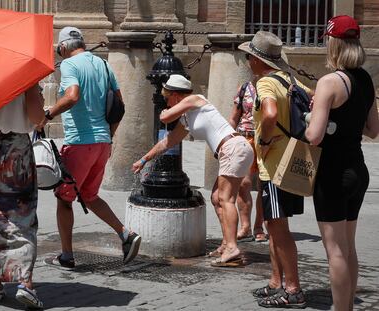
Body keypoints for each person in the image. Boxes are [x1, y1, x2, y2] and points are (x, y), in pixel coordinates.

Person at [39, 26, 141, 269]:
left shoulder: (69, 65)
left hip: (80, 143)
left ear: (63, 47)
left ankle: (66, 256)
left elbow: (73, 96)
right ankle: (126, 234)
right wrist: (108, 136)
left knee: (64, 198)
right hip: (102, 143)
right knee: (88, 195)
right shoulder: (104, 65)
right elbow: (119, 105)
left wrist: (48, 114)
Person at [132, 74, 254, 267]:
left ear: (175, 95)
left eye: (167, 97)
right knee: (216, 198)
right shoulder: (188, 119)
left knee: (226, 199)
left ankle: (232, 247)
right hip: (233, 150)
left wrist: (164, 111)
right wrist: (143, 159)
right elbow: (167, 142)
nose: (166, 101)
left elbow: (164, 116)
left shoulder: (195, 99)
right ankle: (226, 244)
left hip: (233, 148)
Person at [305, 15, 379, 311]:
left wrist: (311, 117)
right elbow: (373, 130)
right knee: (348, 247)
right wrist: (346, 123)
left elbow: (313, 136)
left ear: (333, 43)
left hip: (332, 174)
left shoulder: (329, 82)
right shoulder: (365, 79)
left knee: (334, 250)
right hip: (358, 171)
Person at [239, 31, 313, 308]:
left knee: (279, 229)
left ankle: (293, 290)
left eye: (249, 56)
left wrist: (267, 140)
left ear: (257, 60)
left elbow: (269, 114)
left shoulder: (266, 83)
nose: (247, 61)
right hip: (293, 160)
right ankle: (275, 282)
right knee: (272, 224)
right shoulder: (290, 80)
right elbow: (315, 99)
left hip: (275, 166)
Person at [0, 84, 45, 309]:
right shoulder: (26, 77)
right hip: (16, 149)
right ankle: (25, 283)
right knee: (21, 214)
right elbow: (36, 118)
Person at [229, 79, 267, 243]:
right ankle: (245, 227)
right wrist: (228, 139)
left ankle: (259, 226)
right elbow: (234, 117)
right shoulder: (244, 87)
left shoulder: (274, 86)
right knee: (243, 183)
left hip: (267, 139)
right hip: (245, 138)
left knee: (264, 185)